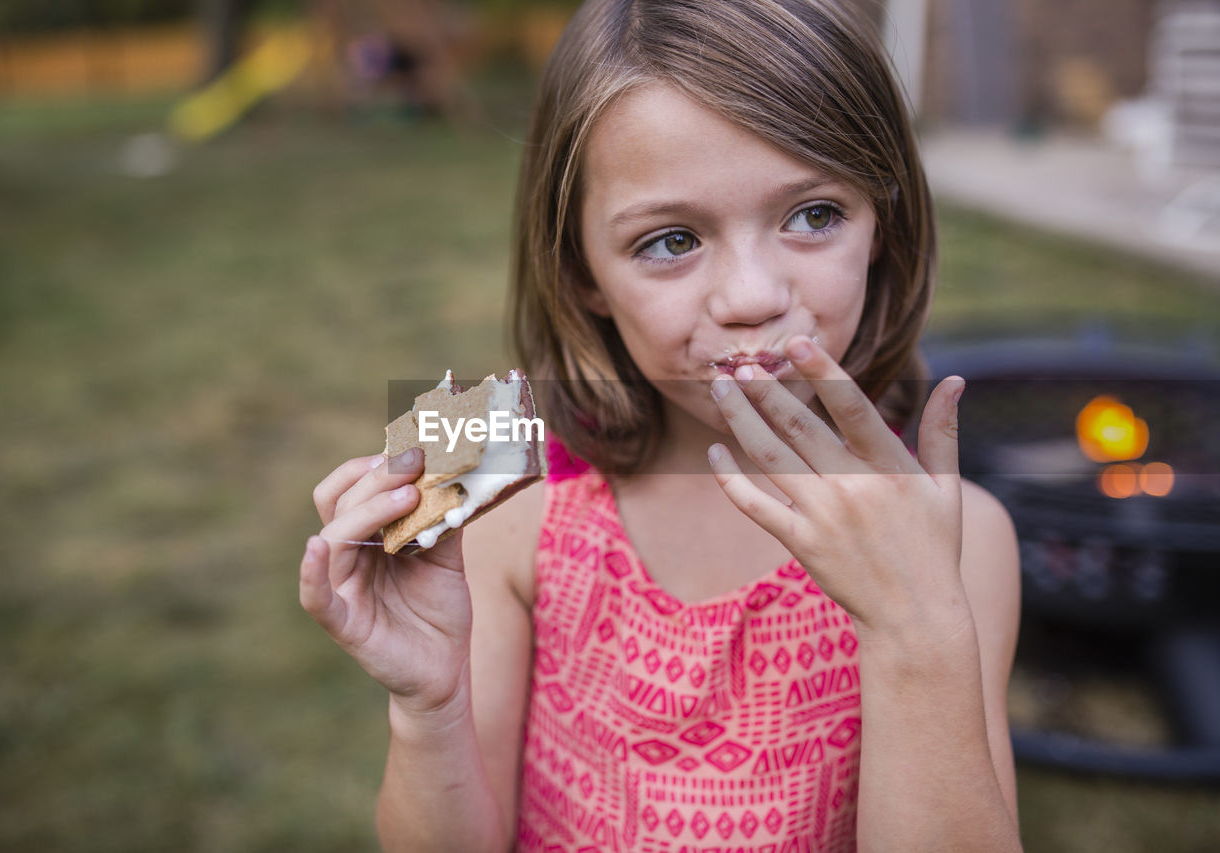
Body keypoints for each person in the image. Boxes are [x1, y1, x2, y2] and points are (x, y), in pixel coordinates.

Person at [300, 0, 1023, 850]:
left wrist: (916, 630)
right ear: (582, 276)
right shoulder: (510, 517)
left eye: (814, 214)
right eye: (672, 239)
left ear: (883, 222)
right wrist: (428, 708)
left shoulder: (955, 538)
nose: (752, 295)